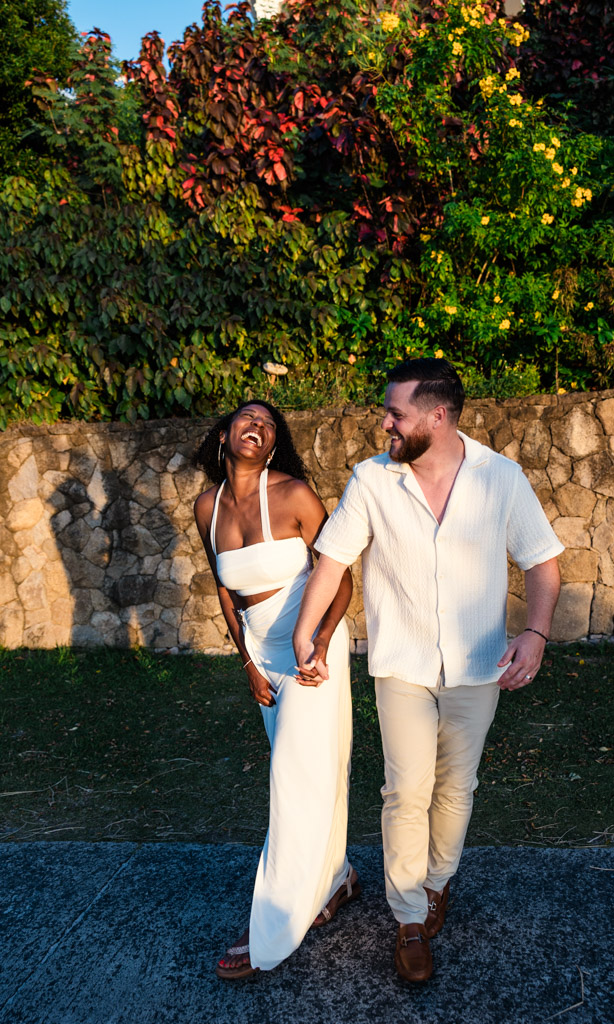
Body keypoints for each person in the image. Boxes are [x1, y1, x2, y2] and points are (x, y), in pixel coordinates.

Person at [293, 358, 563, 983]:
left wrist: (536, 634)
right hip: (402, 665)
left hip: (479, 664)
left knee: (457, 787)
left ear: (437, 416)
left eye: (396, 412)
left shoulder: (501, 478)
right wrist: (308, 635)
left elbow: (543, 563)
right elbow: (332, 561)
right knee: (405, 789)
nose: (384, 422)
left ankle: (438, 883)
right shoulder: (371, 480)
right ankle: (409, 916)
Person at [193, 400, 359, 981]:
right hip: (262, 654)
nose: (257, 427)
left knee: (293, 776)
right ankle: (337, 878)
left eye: (268, 424)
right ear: (223, 434)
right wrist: (247, 664)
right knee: (314, 771)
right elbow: (224, 591)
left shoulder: (294, 496)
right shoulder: (207, 508)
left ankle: (271, 920)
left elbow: (340, 576)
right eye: (247, 418)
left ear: (272, 443)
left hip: (311, 646)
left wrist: (320, 639)